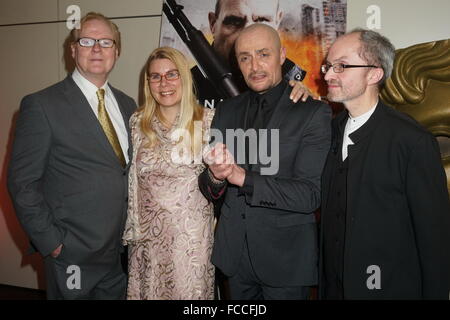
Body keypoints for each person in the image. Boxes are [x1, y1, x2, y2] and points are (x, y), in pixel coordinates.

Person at [7, 12, 137, 299]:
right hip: (72, 255)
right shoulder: (41, 105)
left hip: (119, 254)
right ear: (73, 49)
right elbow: (22, 182)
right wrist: (53, 243)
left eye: (106, 42)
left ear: (116, 51)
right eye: (87, 40)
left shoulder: (129, 106)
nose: (97, 48)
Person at [199, 23, 332, 300]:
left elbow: (310, 195)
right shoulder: (226, 110)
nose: (254, 66)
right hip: (234, 257)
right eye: (245, 57)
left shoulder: (312, 112)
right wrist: (215, 175)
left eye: (263, 54)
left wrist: (243, 178)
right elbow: (209, 189)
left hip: (286, 259)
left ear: (282, 55)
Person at [319, 28, 450, 299]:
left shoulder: (413, 141)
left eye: (341, 66)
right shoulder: (330, 130)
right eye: (329, 66)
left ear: (374, 74)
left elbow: (434, 240)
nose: (328, 75)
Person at [122, 47, 215, 300]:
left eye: (172, 74)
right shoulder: (137, 122)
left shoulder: (208, 121)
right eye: (156, 76)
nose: (164, 83)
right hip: (146, 246)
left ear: (185, 77)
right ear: (148, 82)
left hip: (190, 246)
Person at [192, 0, 309, 107]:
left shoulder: (294, 86)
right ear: (213, 24)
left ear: (277, 21)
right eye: (234, 22)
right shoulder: (186, 87)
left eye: (262, 20)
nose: (247, 36)